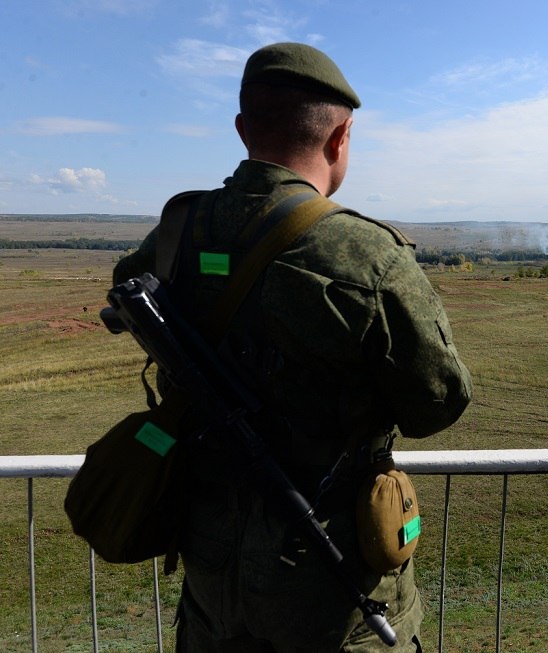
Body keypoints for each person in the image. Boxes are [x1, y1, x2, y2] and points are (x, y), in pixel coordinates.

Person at [112, 42, 472, 652]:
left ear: (242, 128)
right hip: (332, 585)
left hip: (210, 571)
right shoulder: (367, 253)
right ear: (341, 137)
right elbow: (435, 404)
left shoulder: (182, 229)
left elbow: (125, 296)